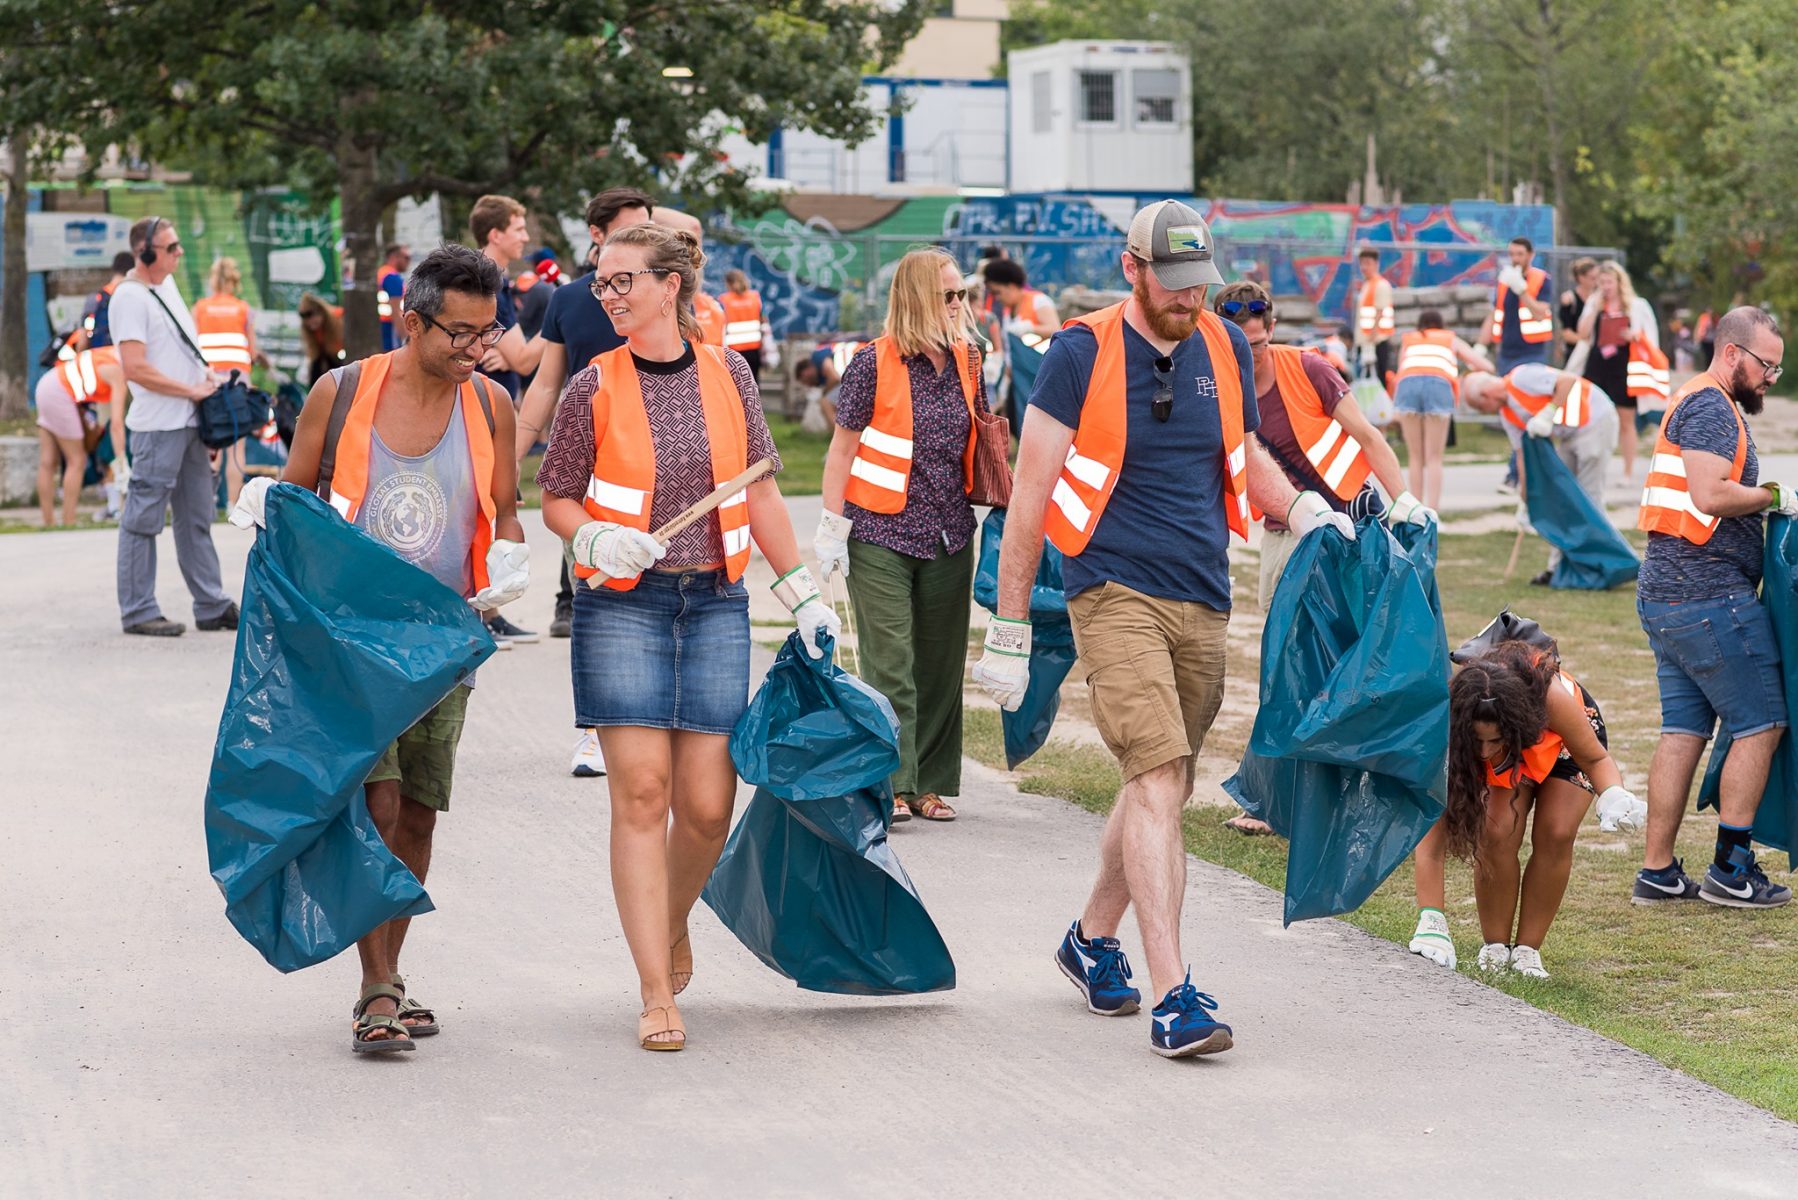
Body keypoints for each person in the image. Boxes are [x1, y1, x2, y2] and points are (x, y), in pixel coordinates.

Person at [976, 200, 1353, 1059]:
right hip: (1111, 589)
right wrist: (1008, 624)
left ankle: (1089, 939)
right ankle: (1176, 993)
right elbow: (1030, 492)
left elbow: (1245, 455)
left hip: (1202, 591)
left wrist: (1302, 508)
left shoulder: (1221, 343)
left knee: (1166, 782)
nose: (1189, 300)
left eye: (1199, 285)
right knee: (1153, 778)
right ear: (1130, 269)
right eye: (1173, 284)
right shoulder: (1079, 354)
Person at [535, 221, 835, 1051]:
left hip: (714, 603)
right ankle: (654, 988)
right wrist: (591, 538)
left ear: (671, 285)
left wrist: (803, 591)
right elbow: (556, 494)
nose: (609, 296)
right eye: (602, 284)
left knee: (707, 808)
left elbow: (762, 490)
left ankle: (667, 924)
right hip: (622, 607)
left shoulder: (729, 372)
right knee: (642, 794)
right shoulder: (591, 386)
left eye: (623, 280)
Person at [265, 242, 529, 1051]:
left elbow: (507, 504)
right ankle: (376, 988)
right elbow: (294, 497)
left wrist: (511, 556)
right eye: (460, 332)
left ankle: (391, 974)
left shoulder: (491, 406)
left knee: (416, 810)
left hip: (446, 641)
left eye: (486, 333)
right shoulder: (339, 395)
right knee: (374, 802)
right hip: (353, 640)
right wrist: (264, 510)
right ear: (412, 322)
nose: (476, 349)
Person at [816, 250, 990, 824]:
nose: (959, 304)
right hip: (879, 530)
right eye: (948, 295)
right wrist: (831, 526)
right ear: (918, 297)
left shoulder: (971, 359)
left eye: (961, 293)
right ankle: (890, 781)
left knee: (939, 664)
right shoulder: (872, 362)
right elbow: (842, 449)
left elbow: (982, 434)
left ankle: (930, 785)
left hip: (949, 531)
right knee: (890, 662)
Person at [1633, 307, 1794, 910]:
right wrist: (1776, 496)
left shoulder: (1699, 400)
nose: (1771, 377)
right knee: (1762, 723)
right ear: (1732, 354)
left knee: (1683, 730)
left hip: (1668, 594)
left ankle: (1657, 872)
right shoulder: (1709, 406)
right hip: (1707, 595)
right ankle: (1731, 868)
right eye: (1766, 365)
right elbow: (1709, 494)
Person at [516, 188, 656, 781]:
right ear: (597, 236)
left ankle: (651, 723)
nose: (646, 238)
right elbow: (546, 385)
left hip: (665, 463)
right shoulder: (570, 301)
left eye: (649, 229)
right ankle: (595, 733)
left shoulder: (669, 294)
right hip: (592, 470)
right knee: (598, 600)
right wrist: (507, 462)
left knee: (661, 597)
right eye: (631, 229)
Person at [1212, 280, 1427, 613]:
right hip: (1283, 527)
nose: (1247, 355)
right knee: (1281, 626)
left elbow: (1367, 436)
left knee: (1350, 627)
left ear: (1272, 329)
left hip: (1343, 521)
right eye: (1237, 344)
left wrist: (1402, 497)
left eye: (1256, 344)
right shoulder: (1215, 384)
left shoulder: (1309, 369)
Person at [1436, 642, 1639, 979]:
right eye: (1477, 742)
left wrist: (1615, 794)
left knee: (1556, 832)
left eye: (1491, 741)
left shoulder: (1553, 699)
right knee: (1495, 831)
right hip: (1510, 742)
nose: (1484, 752)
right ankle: (1495, 946)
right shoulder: (1463, 702)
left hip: (1565, 738)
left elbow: (1594, 758)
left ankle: (1528, 951)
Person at [109, 215, 238, 638]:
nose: (180, 252)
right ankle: (138, 610)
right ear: (145, 254)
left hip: (188, 421)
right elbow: (135, 368)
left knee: (197, 515)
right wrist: (191, 392)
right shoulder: (129, 297)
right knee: (143, 518)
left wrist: (206, 393)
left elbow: (181, 353)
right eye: (172, 247)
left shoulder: (166, 287)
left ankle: (211, 604)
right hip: (159, 425)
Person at [468, 193, 549, 648]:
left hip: (488, 407)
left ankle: (489, 610)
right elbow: (519, 359)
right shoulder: (491, 280)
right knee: (492, 505)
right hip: (486, 410)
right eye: (518, 228)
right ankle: (486, 611)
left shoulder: (488, 277)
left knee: (491, 505)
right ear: (495, 234)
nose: (525, 236)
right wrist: (559, 323)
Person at [1461, 364, 1618, 585]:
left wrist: (1548, 413)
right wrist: (1525, 498)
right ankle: (1555, 569)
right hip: (1569, 435)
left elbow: (1568, 381)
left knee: (1589, 499)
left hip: (1595, 420)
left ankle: (1602, 566)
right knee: (1560, 499)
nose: (1487, 413)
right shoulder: (1508, 414)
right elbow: (1521, 456)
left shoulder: (1522, 377)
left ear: (1486, 395)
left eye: (1482, 408)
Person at [1391, 309, 1493, 511]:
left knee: (1415, 456)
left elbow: (1401, 367)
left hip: (1407, 387)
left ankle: (1415, 512)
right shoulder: (1450, 339)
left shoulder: (1409, 339)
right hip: (1438, 386)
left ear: (1419, 326)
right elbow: (1486, 366)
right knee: (1434, 457)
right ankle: (1433, 513)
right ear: (1441, 326)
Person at [192, 257, 272, 505]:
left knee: (210, 442)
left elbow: (192, 347)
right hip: (238, 383)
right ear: (234, 281)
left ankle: (207, 501)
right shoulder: (243, 309)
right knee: (236, 446)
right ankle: (232, 505)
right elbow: (251, 350)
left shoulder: (199, 308)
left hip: (209, 382)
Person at [1573, 261, 1659, 482]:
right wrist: (1595, 308)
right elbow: (1582, 333)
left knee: (1625, 419)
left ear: (1619, 282)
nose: (1606, 286)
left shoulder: (1636, 305)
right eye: (1601, 282)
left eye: (1609, 282)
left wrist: (1634, 335)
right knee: (1590, 415)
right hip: (1597, 362)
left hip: (1623, 365)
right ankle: (1590, 466)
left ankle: (1628, 471)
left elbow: (1649, 337)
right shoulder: (1594, 303)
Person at [34, 346, 125, 527]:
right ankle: (69, 521)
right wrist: (122, 461)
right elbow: (116, 424)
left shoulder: (108, 354)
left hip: (47, 383)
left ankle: (48, 522)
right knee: (76, 460)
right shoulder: (118, 370)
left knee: (47, 462)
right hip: (61, 393)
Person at [1481, 236, 1555, 374]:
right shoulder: (1505, 280)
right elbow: (1494, 313)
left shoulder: (1541, 279)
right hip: (1506, 352)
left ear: (1530, 255)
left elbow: (1540, 314)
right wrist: (1481, 345)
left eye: (1520, 254)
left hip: (1532, 353)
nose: (1515, 259)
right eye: (1512, 254)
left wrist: (1522, 291)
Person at [70, 251, 135, 353]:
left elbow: (83, 338)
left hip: (99, 359)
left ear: (114, 268)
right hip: (122, 358)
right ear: (132, 270)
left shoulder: (95, 299)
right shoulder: (132, 299)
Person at [1352, 247, 1397, 384]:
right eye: (1362, 263)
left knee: (1378, 378)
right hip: (1366, 340)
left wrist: (1371, 338)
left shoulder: (1381, 285)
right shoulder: (1367, 285)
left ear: (1376, 264)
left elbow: (1380, 311)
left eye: (1367, 263)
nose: (1364, 267)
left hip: (1376, 341)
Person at [718, 268, 766, 380]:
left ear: (728, 283)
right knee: (754, 384)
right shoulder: (755, 297)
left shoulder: (724, 300)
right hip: (754, 349)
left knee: (737, 386)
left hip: (734, 352)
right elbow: (763, 320)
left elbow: (721, 326)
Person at [297, 292, 345, 384]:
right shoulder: (312, 332)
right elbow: (315, 354)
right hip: (327, 354)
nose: (311, 324)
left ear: (321, 312)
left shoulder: (338, 317)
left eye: (313, 319)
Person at [1557, 256, 1597, 361]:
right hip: (1575, 353)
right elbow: (1566, 333)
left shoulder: (1598, 299)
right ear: (1581, 277)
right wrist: (1588, 343)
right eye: (1592, 278)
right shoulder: (1570, 300)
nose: (1596, 281)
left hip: (1595, 355)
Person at [376, 242, 409, 351]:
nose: (408, 261)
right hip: (391, 327)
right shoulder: (392, 278)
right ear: (394, 257)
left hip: (383, 326)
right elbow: (396, 312)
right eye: (406, 257)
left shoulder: (382, 272)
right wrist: (406, 339)